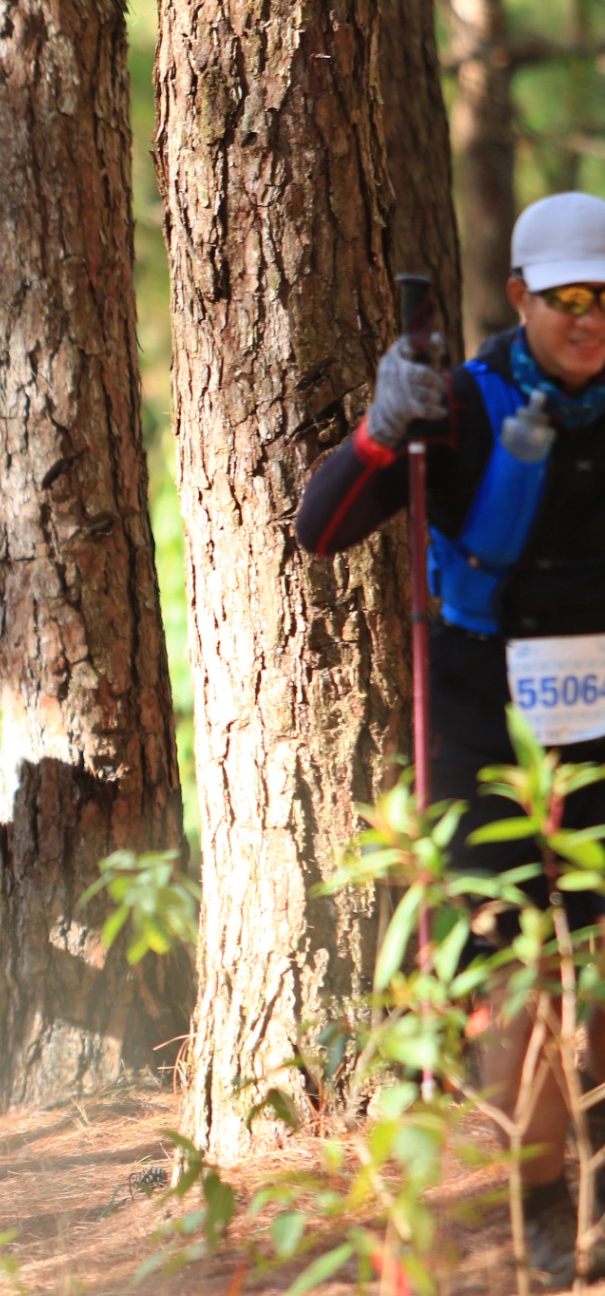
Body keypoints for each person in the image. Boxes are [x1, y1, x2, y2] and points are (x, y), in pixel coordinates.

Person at [298, 191, 605, 1284]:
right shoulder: (461, 405)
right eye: (567, 298)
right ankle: (541, 1203)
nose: (588, 318)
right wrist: (382, 430)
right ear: (519, 295)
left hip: (600, 723)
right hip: (483, 721)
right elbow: (318, 528)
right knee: (521, 981)